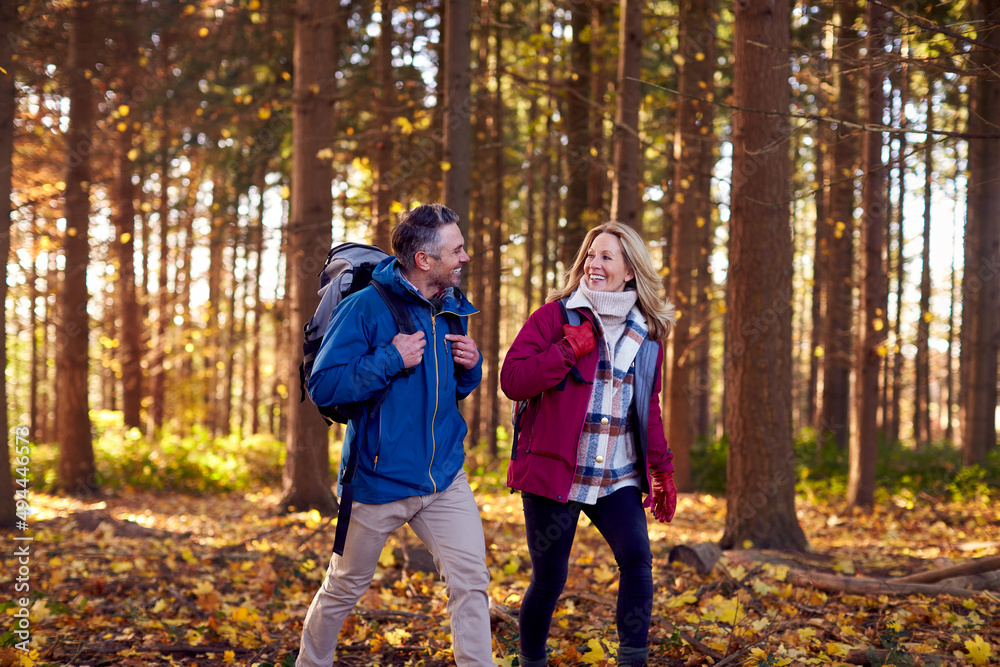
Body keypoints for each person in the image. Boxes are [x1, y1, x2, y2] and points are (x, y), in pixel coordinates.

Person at [297, 203, 494, 667]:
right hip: (378, 480)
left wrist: (471, 367)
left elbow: (446, 391)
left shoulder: (449, 306)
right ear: (425, 260)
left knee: (471, 582)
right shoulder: (364, 309)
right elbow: (323, 386)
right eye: (457, 249)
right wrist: (390, 358)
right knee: (344, 586)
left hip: (443, 479)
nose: (465, 257)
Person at [500, 221, 678, 667]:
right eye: (590, 255)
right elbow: (514, 380)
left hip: (615, 476)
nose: (592, 265)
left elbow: (647, 408)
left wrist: (661, 470)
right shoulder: (554, 317)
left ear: (630, 271)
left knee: (637, 559)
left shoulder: (647, 336)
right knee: (549, 579)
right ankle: (531, 661)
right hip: (554, 472)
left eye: (605, 257)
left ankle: (631, 660)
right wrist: (565, 350)